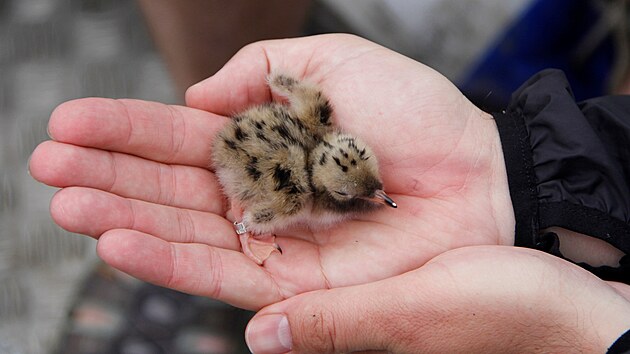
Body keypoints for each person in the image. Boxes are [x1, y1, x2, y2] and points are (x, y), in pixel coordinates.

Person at [29, 34, 630, 353]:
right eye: (365, 189)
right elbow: (287, 156)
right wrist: (247, 226)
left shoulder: (323, 133)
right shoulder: (296, 197)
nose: (378, 194)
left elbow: (302, 95)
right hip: (260, 169)